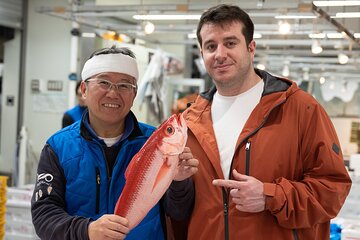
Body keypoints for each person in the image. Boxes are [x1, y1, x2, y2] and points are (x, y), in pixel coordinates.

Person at [169, 4, 352, 240]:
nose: (220, 54)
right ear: (202, 53)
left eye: (230, 43)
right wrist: (178, 185)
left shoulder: (300, 109)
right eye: (210, 46)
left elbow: (333, 190)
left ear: (251, 48)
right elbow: (180, 210)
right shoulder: (187, 123)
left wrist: (270, 196)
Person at [31, 45, 198, 240]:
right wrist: (86, 230)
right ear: (84, 89)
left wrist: (179, 182)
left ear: (134, 94)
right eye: (104, 82)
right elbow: (44, 214)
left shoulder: (154, 142)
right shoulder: (58, 147)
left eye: (124, 85)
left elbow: (179, 213)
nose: (113, 93)